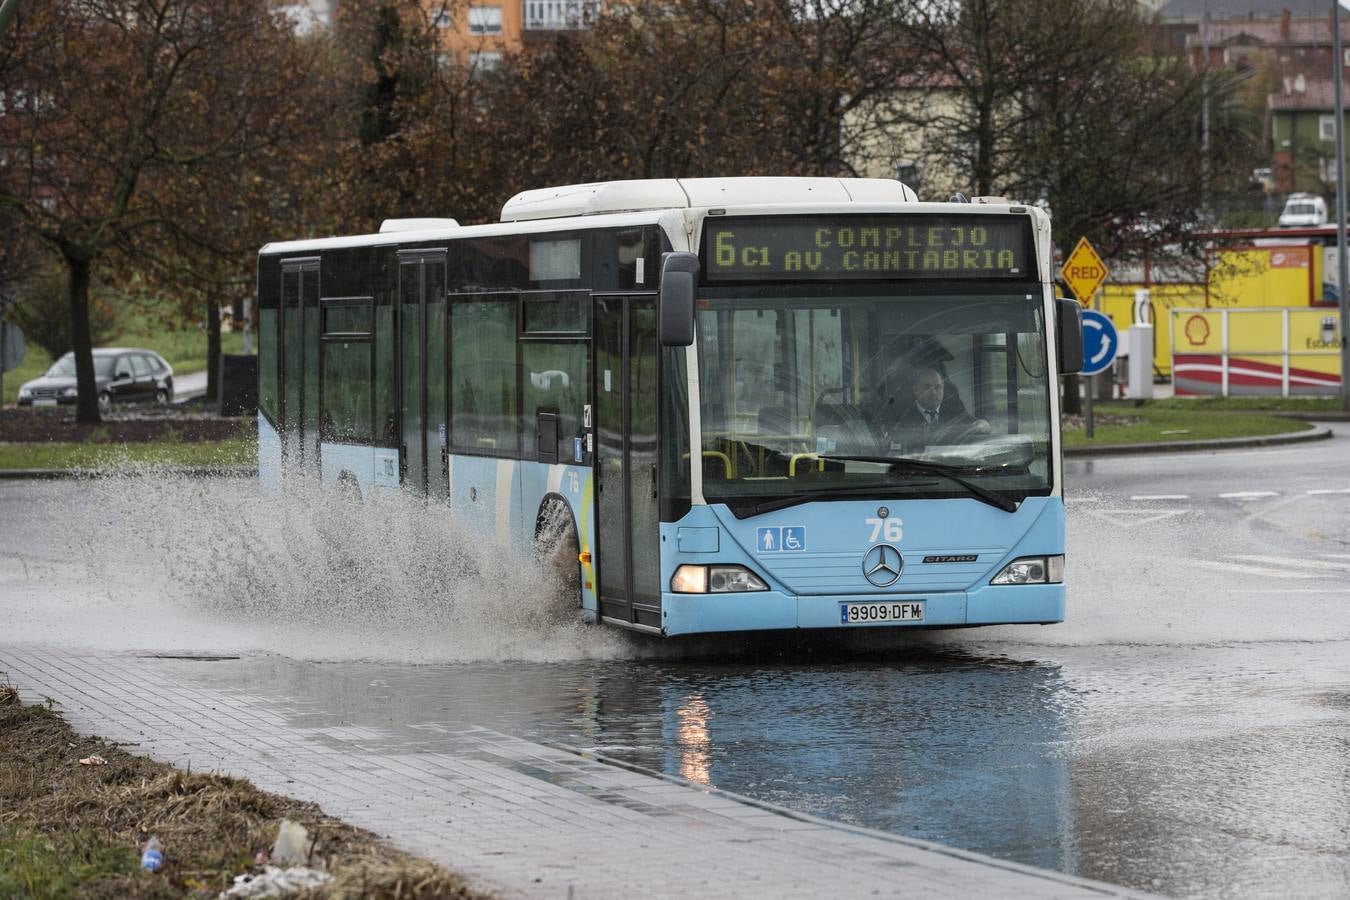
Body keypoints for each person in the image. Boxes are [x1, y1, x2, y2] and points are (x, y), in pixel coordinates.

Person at [886, 366, 990, 450]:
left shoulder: (954, 409)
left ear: (943, 390)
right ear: (916, 390)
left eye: (938, 387)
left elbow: (980, 424)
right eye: (927, 387)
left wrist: (981, 425)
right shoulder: (902, 414)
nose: (933, 392)